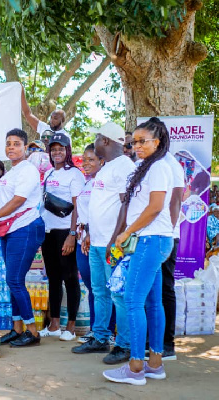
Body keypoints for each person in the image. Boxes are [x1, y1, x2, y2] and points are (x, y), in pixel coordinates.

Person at [103, 117, 175, 386]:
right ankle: (154, 364)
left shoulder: (158, 167)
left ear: (157, 142)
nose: (137, 146)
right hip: (151, 240)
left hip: (149, 240)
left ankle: (135, 367)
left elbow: (156, 207)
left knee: (133, 301)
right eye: (134, 142)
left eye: (143, 141)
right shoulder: (148, 167)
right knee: (152, 303)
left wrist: (126, 232)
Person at [0, 129, 45, 347]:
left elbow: (18, 200)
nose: (11, 147)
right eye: (8, 144)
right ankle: (16, 328)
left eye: (16, 144)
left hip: (25, 227)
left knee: (14, 280)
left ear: (25, 148)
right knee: (12, 280)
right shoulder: (12, 172)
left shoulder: (28, 170)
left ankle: (32, 332)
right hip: (10, 229)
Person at [72, 122, 135, 365]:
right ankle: (100, 337)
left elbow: (126, 206)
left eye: (97, 138)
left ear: (106, 141)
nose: (95, 142)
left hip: (112, 244)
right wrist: (89, 232)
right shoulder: (108, 168)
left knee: (118, 294)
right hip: (97, 243)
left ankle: (125, 344)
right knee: (99, 291)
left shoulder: (124, 167)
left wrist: (114, 239)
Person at [39, 133, 84, 341]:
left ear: (68, 151)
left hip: (66, 231)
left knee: (70, 278)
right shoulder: (48, 174)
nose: (57, 152)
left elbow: (78, 206)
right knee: (54, 279)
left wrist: (72, 235)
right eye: (53, 149)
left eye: (61, 149)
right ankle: (54, 324)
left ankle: (71, 327)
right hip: (49, 231)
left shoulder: (74, 174)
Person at [75, 144, 116, 343]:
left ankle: (108, 331)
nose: (86, 163)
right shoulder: (87, 182)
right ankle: (96, 329)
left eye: (91, 159)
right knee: (95, 288)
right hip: (83, 238)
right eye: (84, 159)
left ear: (102, 161)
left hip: (99, 239)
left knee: (108, 288)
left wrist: (90, 232)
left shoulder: (105, 182)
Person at [156, 151, 185, 361]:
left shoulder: (171, 164)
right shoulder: (148, 163)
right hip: (149, 236)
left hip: (165, 236)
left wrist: (168, 232)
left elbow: (176, 200)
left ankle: (167, 344)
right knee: (151, 289)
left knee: (165, 288)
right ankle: (152, 341)